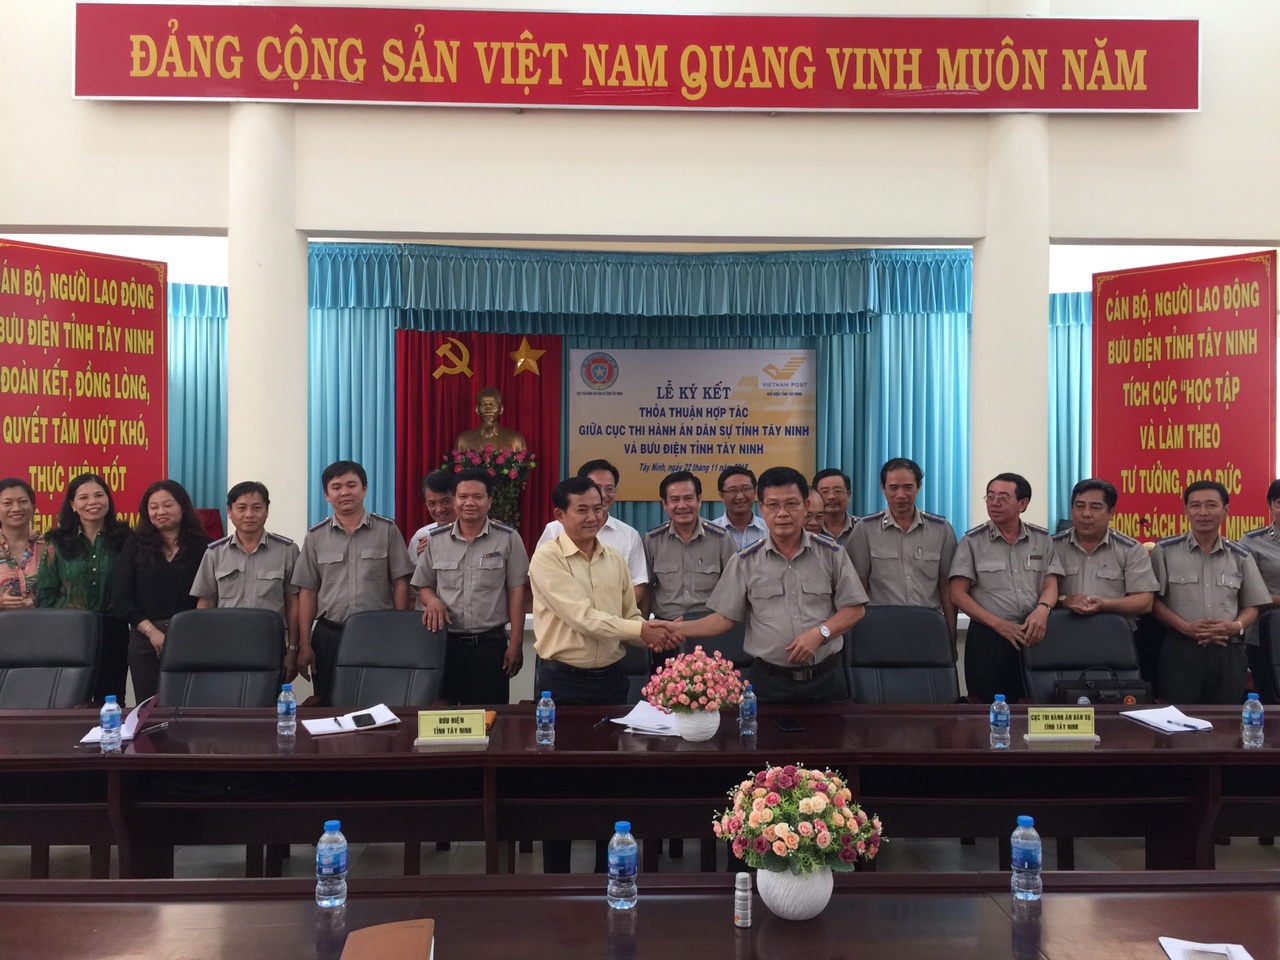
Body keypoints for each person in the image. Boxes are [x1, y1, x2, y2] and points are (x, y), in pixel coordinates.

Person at [528, 475, 681, 872]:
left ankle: (607, 870)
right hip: (562, 685)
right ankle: (557, 876)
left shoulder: (614, 558)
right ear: (560, 515)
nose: (593, 517)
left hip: (612, 682)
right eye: (582, 510)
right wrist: (642, 630)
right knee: (559, 785)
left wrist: (658, 633)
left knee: (610, 780)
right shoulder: (547, 559)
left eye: (598, 508)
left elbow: (629, 616)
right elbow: (583, 618)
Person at [680, 466, 867, 704]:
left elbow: (855, 608)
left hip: (825, 679)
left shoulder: (832, 553)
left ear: (806, 507)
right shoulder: (745, 561)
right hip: (769, 683)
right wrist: (676, 629)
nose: (782, 513)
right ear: (762, 509)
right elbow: (724, 618)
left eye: (791, 504)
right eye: (773, 505)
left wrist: (820, 633)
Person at [292, 460, 414, 704]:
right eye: (336, 487)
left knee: (378, 703)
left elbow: (401, 583)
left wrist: (398, 633)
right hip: (330, 636)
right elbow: (307, 592)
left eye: (351, 485)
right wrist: (305, 645)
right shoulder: (315, 537)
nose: (345, 492)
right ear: (327, 495)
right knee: (329, 703)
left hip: (377, 634)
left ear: (364, 489)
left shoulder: (387, 530)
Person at [411, 468, 529, 705]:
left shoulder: (508, 538)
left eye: (477, 497)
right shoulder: (435, 539)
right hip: (444, 644)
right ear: (454, 501)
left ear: (489, 501)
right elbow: (423, 584)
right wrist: (432, 601)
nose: (469, 503)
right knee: (443, 714)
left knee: (491, 715)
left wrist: (515, 643)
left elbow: (517, 592)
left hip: (490, 646)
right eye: (463, 496)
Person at [1151, 480, 1270, 705]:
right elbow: (1153, 602)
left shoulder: (1241, 555)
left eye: (1211, 505)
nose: (1203, 512)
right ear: (1186, 510)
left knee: (1225, 720)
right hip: (1181, 650)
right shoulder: (1165, 551)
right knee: (1178, 719)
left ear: (1226, 510)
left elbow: (1253, 604)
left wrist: (1236, 626)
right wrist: (1185, 627)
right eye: (1195, 505)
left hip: (1228, 651)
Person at [949, 472, 1062, 703]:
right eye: (990, 496)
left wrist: (1043, 610)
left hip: (1032, 633)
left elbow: (1050, 582)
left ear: (1023, 504)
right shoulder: (972, 541)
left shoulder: (1042, 539)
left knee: (1034, 703)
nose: (994, 502)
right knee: (987, 705)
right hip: (989, 636)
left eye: (1003, 497)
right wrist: (998, 624)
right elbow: (957, 594)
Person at [36, 474, 132, 704]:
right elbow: (46, 593)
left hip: (113, 629)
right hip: (69, 630)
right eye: (83, 497)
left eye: (99, 495)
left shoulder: (126, 539)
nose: (92, 502)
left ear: (108, 500)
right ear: (73, 505)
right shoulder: (56, 542)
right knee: (69, 699)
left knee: (110, 698)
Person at [190, 481, 301, 681]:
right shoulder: (215, 553)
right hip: (225, 644)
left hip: (270, 644)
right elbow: (205, 603)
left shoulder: (287, 551)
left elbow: (294, 603)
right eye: (241, 508)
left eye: (257, 508)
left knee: (268, 697)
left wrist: (293, 649)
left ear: (267, 511)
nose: (249, 514)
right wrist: (204, 647)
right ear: (229, 511)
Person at [112, 479, 211, 704]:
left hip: (191, 636)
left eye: (168, 505)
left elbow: (209, 594)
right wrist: (151, 632)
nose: (160, 512)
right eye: (154, 507)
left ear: (183, 507)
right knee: (149, 707)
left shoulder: (204, 546)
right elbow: (121, 598)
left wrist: (188, 631)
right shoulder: (134, 545)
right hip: (145, 639)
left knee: (189, 705)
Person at [847, 457, 959, 653]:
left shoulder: (941, 529)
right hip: (880, 628)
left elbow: (946, 586)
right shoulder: (865, 529)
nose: (900, 495)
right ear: (882, 487)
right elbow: (858, 586)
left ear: (919, 487)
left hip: (927, 627)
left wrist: (951, 634)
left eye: (908, 487)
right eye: (893, 487)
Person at [1051, 478, 1157, 630]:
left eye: (1095, 507)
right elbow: (1035, 593)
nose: (1086, 514)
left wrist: (1105, 604)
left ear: (1111, 513)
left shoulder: (1131, 549)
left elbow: (1145, 602)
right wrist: (1064, 599)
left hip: (1113, 633)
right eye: (1079, 506)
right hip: (1062, 631)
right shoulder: (1052, 546)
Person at [536, 460, 647, 604]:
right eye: (597, 488)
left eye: (609, 489)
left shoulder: (629, 536)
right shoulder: (554, 530)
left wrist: (615, 614)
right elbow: (540, 581)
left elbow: (637, 584)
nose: (603, 495)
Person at [643, 470, 735, 621]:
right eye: (674, 500)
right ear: (665, 504)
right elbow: (646, 588)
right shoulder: (653, 540)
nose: (682, 505)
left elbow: (733, 589)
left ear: (699, 500)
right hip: (666, 626)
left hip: (708, 625)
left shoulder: (721, 539)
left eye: (688, 498)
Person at [1242, 479, 1280, 701]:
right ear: (1270, 506)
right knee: (1271, 700)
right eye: (1279, 502)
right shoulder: (1253, 542)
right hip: (1266, 637)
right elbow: (1249, 593)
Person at [0, 478, 41, 609]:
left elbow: (65, 593)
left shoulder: (49, 546)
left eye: (22, 501)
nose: (16, 508)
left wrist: (37, 601)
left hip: (43, 620)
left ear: (33, 506)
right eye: (7, 503)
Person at [454, 386, 528, 453]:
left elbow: (524, 463)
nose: (488, 410)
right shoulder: (463, 439)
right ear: (477, 409)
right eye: (483, 405)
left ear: (501, 409)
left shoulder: (516, 439)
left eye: (493, 405)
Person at [711, 465, 768, 549]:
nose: (740, 496)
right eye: (732, 490)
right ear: (721, 496)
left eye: (745, 489)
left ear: (755, 492)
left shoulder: (769, 530)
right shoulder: (710, 532)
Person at [407, 470, 457, 559]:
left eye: (446, 501)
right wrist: (422, 559)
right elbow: (412, 566)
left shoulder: (474, 532)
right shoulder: (421, 536)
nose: (439, 509)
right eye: (432, 504)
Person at [812, 468, 858, 545]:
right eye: (825, 492)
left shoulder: (862, 528)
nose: (831, 497)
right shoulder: (808, 528)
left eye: (837, 491)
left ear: (848, 494)